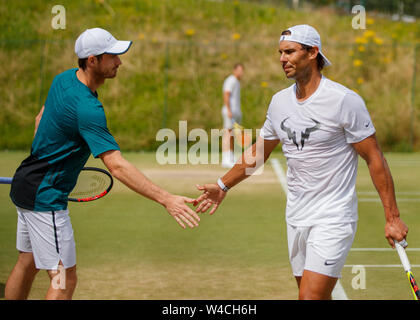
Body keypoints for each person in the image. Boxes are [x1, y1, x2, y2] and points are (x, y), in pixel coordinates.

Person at [194, 24, 408, 300]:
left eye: (290, 52)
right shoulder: (279, 102)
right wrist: (223, 185)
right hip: (295, 216)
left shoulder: (344, 101)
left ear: (312, 53)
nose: (282, 59)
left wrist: (392, 218)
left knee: (309, 297)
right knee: (311, 295)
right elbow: (259, 152)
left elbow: (374, 158)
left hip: (333, 216)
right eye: (280, 52)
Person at [5, 28, 200, 300]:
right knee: (63, 278)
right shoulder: (88, 108)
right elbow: (116, 166)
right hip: (45, 198)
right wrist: (166, 199)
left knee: (27, 263)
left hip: (25, 184)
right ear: (93, 60)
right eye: (113, 57)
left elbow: (40, 120)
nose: (119, 62)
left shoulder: (62, 80)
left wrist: (44, 161)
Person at [221, 63, 245, 168]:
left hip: (235, 113)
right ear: (234, 70)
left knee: (232, 135)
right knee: (228, 133)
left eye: (242, 70)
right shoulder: (231, 80)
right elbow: (226, 94)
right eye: (239, 70)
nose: (241, 73)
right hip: (230, 112)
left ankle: (230, 156)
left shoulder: (236, 82)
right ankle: (225, 159)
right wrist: (229, 110)